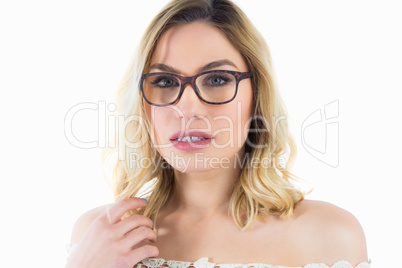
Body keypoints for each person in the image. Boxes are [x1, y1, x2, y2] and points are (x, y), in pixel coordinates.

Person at [65, 0, 371, 267]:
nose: (187, 108)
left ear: (257, 97)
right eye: (164, 81)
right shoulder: (100, 236)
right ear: (142, 104)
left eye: (217, 78)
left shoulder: (330, 237)